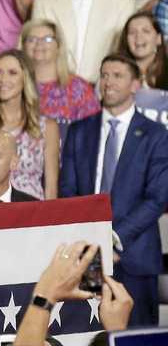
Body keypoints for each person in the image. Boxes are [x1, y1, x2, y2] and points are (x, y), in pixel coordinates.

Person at [59, 54, 168, 326]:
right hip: (87, 257)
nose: (108, 82)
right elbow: (69, 192)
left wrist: (114, 238)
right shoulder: (79, 131)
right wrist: (93, 239)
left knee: (137, 339)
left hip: (134, 256)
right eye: (104, 75)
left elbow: (157, 198)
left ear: (134, 84)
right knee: (86, 336)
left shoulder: (157, 135)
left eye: (117, 76)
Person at [0, 50, 59, 199]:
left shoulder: (47, 127)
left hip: (32, 213)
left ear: (25, 78)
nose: (3, 79)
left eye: (12, 73)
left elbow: (51, 189)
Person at [20, 18, 100, 143]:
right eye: (31, 39)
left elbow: (92, 136)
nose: (39, 44)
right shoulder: (15, 85)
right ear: (23, 46)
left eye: (47, 39)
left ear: (59, 46)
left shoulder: (79, 88)